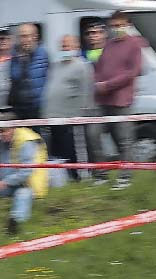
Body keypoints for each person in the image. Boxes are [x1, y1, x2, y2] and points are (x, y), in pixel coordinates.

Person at [93, 11, 143, 190]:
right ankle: (100, 174)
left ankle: (125, 178)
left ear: (127, 25)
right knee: (93, 134)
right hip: (101, 100)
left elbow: (132, 73)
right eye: (113, 25)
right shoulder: (108, 45)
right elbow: (99, 68)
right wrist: (97, 82)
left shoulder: (134, 45)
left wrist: (108, 85)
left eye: (119, 25)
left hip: (121, 100)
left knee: (124, 139)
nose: (116, 29)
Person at [44, 36, 95, 181]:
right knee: (60, 150)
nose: (65, 49)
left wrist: (82, 114)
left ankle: (83, 177)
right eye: (63, 46)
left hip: (73, 117)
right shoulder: (56, 65)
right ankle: (66, 178)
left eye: (67, 46)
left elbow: (86, 91)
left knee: (76, 149)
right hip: (54, 117)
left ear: (76, 47)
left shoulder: (82, 66)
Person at [9, 23, 50, 121]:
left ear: (35, 37)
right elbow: (13, 76)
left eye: (26, 36)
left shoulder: (43, 55)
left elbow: (49, 79)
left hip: (38, 107)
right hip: (19, 107)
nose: (23, 40)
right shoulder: (15, 56)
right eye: (21, 36)